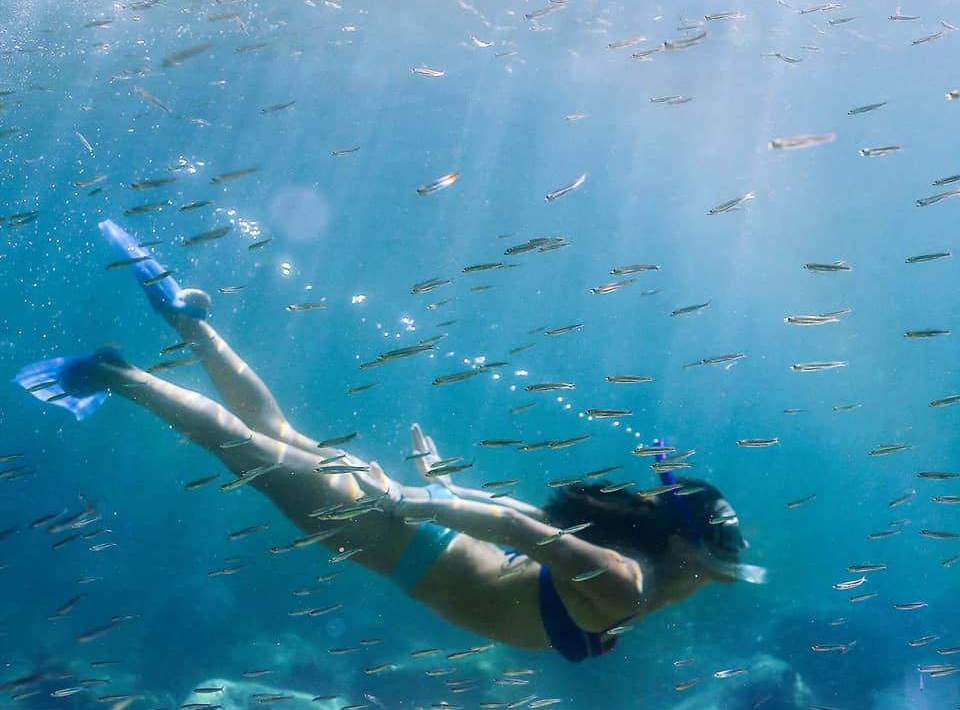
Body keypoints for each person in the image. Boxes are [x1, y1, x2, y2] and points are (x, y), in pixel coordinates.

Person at [14, 220, 765, 662]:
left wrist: (436, 488)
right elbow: (511, 532)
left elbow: (518, 534)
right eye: (718, 560)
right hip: (395, 534)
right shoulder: (624, 583)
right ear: (686, 550)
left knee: (270, 435)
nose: (718, 577)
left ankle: (185, 314)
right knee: (243, 449)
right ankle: (116, 374)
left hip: (413, 522)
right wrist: (410, 498)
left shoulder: (639, 578)